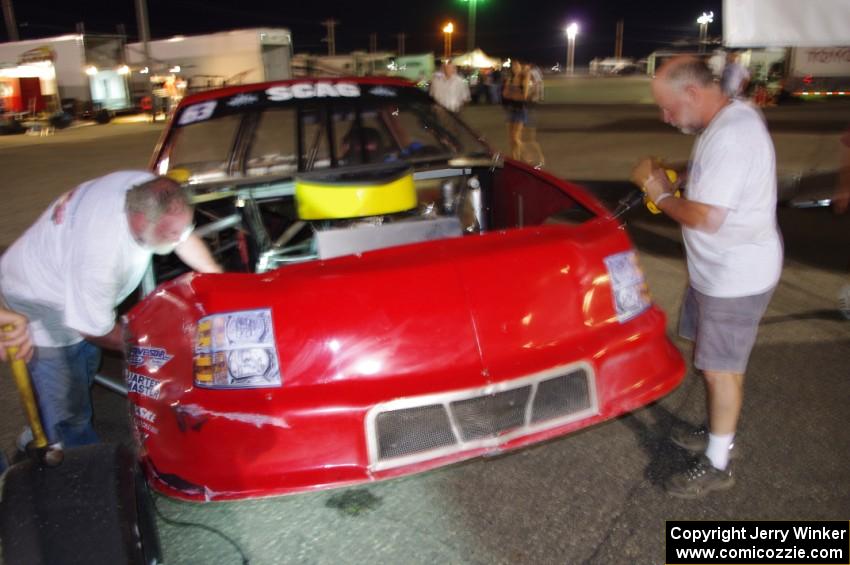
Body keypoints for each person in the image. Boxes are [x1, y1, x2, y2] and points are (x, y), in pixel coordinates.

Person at [631, 55, 783, 498]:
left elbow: (704, 217)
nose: (665, 117)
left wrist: (657, 190)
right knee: (712, 361)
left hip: (734, 279)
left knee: (720, 370)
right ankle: (720, 432)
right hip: (715, 274)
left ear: (693, 94)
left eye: (669, 108)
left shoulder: (732, 136)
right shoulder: (727, 119)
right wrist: (679, 176)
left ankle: (718, 462)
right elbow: (716, 185)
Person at [0, 171, 222, 451]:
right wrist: (158, 351)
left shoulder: (146, 190)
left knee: (86, 364)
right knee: (67, 393)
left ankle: (48, 423)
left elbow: (184, 237)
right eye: (171, 233)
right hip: (38, 299)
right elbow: (95, 330)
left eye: (184, 227)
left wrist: (218, 278)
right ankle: (72, 456)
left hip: (70, 277)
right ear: (141, 221)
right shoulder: (102, 256)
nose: (179, 237)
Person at [502, 59, 530, 160]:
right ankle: (515, 159)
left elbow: (524, 96)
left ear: (520, 67)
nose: (515, 69)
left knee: (515, 137)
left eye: (517, 66)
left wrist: (512, 94)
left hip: (520, 110)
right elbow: (505, 94)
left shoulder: (524, 78)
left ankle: (527, 154)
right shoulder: (510, 79)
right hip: (510, 110)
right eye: (513, 67)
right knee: (511, 139)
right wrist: (514, 94)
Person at [523, 64, 546, 168]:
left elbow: (530, 97)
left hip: (530, 111)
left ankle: (541, 159)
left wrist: (526, 94)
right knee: (523, 138)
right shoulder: (527, 82)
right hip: (525, 111)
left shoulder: (532, 84)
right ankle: (528, 158)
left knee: (531, 139)